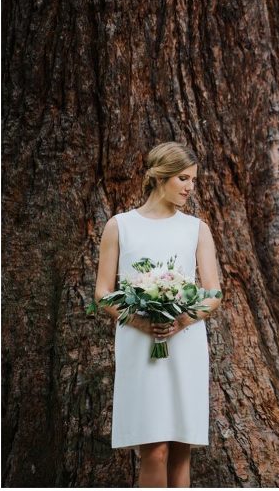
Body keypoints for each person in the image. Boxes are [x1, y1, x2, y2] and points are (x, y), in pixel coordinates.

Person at [93, 141, 222, 487]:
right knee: (155, 451)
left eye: (193, 180)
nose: (189, 187)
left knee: (181, 449)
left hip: (185, 341)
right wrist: (138, 319)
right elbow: (102, 293)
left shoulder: (197, 229)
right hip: (140, 344)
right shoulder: (120, 226)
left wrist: (181, 320)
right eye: (183, 178)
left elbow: (213, 293)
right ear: (160, 177)